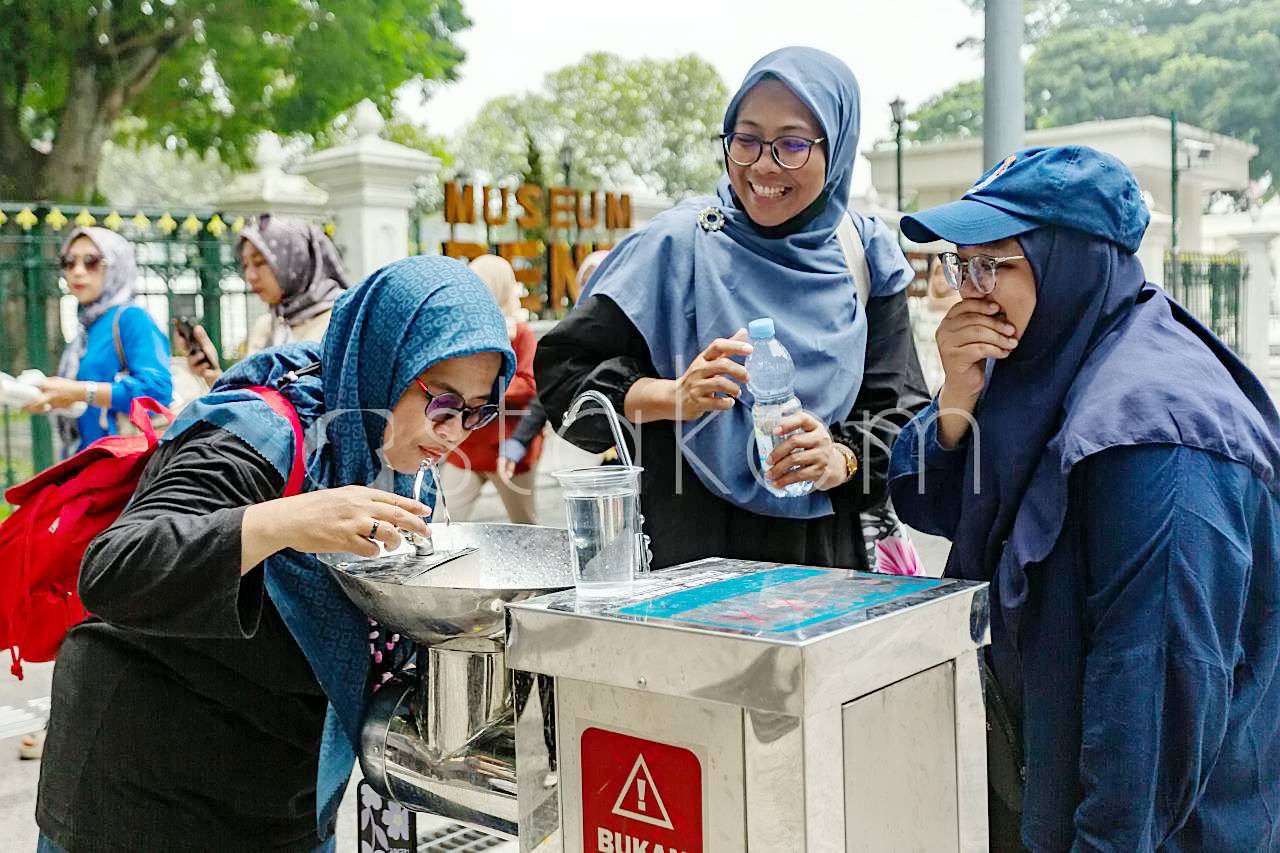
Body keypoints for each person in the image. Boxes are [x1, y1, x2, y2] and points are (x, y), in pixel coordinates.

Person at [33, 256, 515, 853]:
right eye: (443, 402)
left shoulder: (392, 462)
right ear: (387, 362)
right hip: (144, 790)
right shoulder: (253, 433)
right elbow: (115, 569)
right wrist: (284, 520)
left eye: (478, 411)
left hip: (279, 794)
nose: (454, 430)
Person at [889, 145, 1280, 851]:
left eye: (991, 264)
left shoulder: (1157, 440)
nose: (968, 291)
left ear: (1070, 262)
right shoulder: (1042, 365)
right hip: (1040, 780)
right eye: (959, 263)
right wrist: (955, 399)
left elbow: (1147, 722)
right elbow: (930, 505)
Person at [536, 47, 925, 571]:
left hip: (820, 558)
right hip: (680, 551)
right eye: (746, 140)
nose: (764, 166)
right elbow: (564, 375)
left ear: (837, 148)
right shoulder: (676, 246)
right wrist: (673, 396)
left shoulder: (866, 257)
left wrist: (840, 457)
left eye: (792, 144)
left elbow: (902, 410)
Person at [23, 227, 172, 457]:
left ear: (116, 265)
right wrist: (55, 398)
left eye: (91, 261)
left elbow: (157, 393)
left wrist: (80, 392)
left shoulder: (131, 318)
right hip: (86, 464)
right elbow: (84, 399)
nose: (78, 271)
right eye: (69, 262)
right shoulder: (87, 326)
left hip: (124, 470)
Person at [438, 255, 543, 523]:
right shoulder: (461, 328)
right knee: (443, 523)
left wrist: (480, 392)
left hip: (508, 445)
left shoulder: (519, 332)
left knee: (526, 528)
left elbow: (529, 384)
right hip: (466, 444)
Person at [186, 215, 349, 385]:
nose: (250, 276)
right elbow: (252, 402)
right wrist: (212, 375)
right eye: (246, 265)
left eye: (260, 262)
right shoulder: (267, 326)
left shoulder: (340, 321)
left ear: (297, 260)